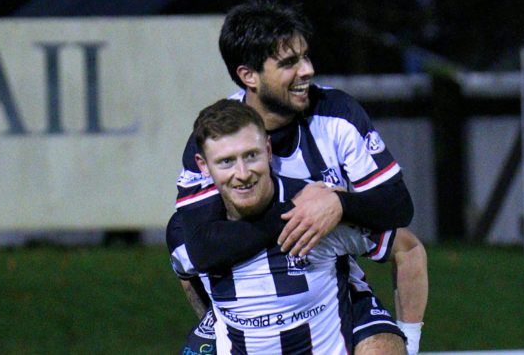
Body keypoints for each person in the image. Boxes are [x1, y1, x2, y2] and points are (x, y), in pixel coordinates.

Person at [168, 0, 428, 355]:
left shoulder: (338, 114)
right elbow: (199, 247)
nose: (307, 70)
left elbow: (397, 207)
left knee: (381, 347)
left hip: (328, 272)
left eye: (305, 57)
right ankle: (218, 323)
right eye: (289, 63)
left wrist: (337, 204)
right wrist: (298, 212)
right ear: (249, 76)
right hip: (243, 287)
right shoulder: (219, 136)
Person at [172, 99, 407, 354]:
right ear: (203, 166)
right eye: (226, 162)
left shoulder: (318, 208)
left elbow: (407, 247)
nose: (242, 173)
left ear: (269, 151)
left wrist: (409, 334)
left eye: (251, 155)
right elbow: (187, 276)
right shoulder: (189, 236)